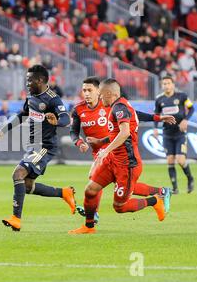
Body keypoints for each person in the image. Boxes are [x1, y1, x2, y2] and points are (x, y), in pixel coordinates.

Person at [69, 79, 171, 234]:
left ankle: (155, 200)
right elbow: (117, 133)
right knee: (90, 189)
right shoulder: (119, 106)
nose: (100, 100)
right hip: (113, 159)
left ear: (110, 94)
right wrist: (101, 142)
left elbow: (124, 134)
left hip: (127, 164)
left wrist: (105, 150)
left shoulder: (119, 108)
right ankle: (89, 227)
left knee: (119, 207)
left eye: (102, 96)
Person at [0, 65, 76, 232]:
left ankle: (16, 219)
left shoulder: (53, 99)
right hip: (33, 146)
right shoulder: (31, 97)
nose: (27, 83)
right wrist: (4, 130)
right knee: (27, 185)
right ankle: (64, 193)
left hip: (45, 146)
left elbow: (66, 119)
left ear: (40, 80)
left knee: (18, 174)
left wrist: (56, 122)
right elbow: (23, 114)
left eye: (29, 80)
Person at [154, 76, 195, 194]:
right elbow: (156, 115)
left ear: (173, 84)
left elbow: (191, 108)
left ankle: (190, 178)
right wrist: (155, 129)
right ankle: (175, 188)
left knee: (181, 160)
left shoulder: (182, 96)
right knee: (170, 160)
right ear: (162, 86)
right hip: (167, 133)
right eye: (164, 84)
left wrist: (185, 120)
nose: (166, 85)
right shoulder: (159, 99)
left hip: (180, 133)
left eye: (168, 83)